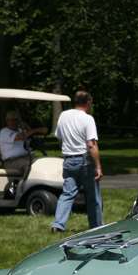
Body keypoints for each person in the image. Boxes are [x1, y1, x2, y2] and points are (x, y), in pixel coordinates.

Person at [50, 90, 103, 234]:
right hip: (84, 161)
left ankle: (58, 225)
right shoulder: (88, 119)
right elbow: (91, 144)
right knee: (93, 197)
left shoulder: (63, 115)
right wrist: (98, 166)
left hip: (68, 160)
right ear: (87, 102)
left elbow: (59, 139)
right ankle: (97, 227)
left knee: (67, 195)